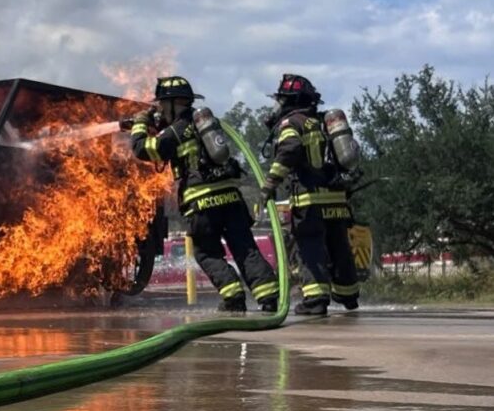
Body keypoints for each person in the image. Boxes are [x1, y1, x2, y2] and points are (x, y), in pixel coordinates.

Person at [130, 75, 279, 312]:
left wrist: (139, 124)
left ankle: (233, 297)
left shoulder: (177, 130)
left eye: (162, 105)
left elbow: (143, 149)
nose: (160, 110)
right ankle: (269, 297)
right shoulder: (205, 123)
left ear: (173, 103)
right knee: (245, 248)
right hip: (231, 198)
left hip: (202, 202)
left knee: (207, 252)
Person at [259, 73, 359, 316]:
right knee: (339, 247)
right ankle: (348, 294)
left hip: (310, 200)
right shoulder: (324, 122)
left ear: (290, 101)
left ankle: (315, 300)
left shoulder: (292, 123)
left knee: (310, 248)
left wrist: (270, 182)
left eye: (281, 100)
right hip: (336, 199)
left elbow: (289, 150)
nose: (277, 106)